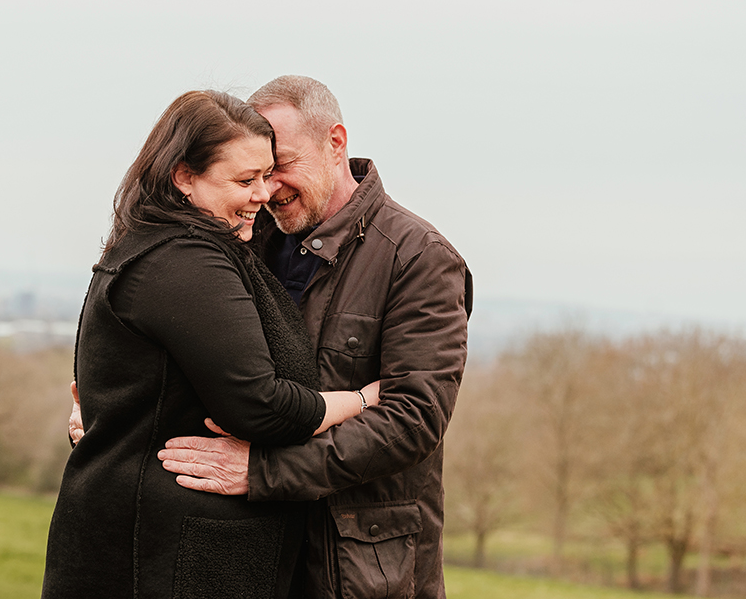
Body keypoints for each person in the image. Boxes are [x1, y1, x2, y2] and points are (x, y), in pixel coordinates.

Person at [42, 89, 379, 599]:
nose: (262, 194)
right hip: (161, 556)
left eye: (266, 174)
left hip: (166, 541)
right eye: (244, 180)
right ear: (184, 177)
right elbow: (262, 407)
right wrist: (363, 399)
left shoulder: (170, 246)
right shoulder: (186, 262)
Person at [153, 76, 473, 598]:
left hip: (358, 573)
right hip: (243, 558)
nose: (267, 187)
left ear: (336, 142)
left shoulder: (419, 258)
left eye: (282, 165)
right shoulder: (242, 242)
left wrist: (264, 471)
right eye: (254, 172)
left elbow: (414, 419)